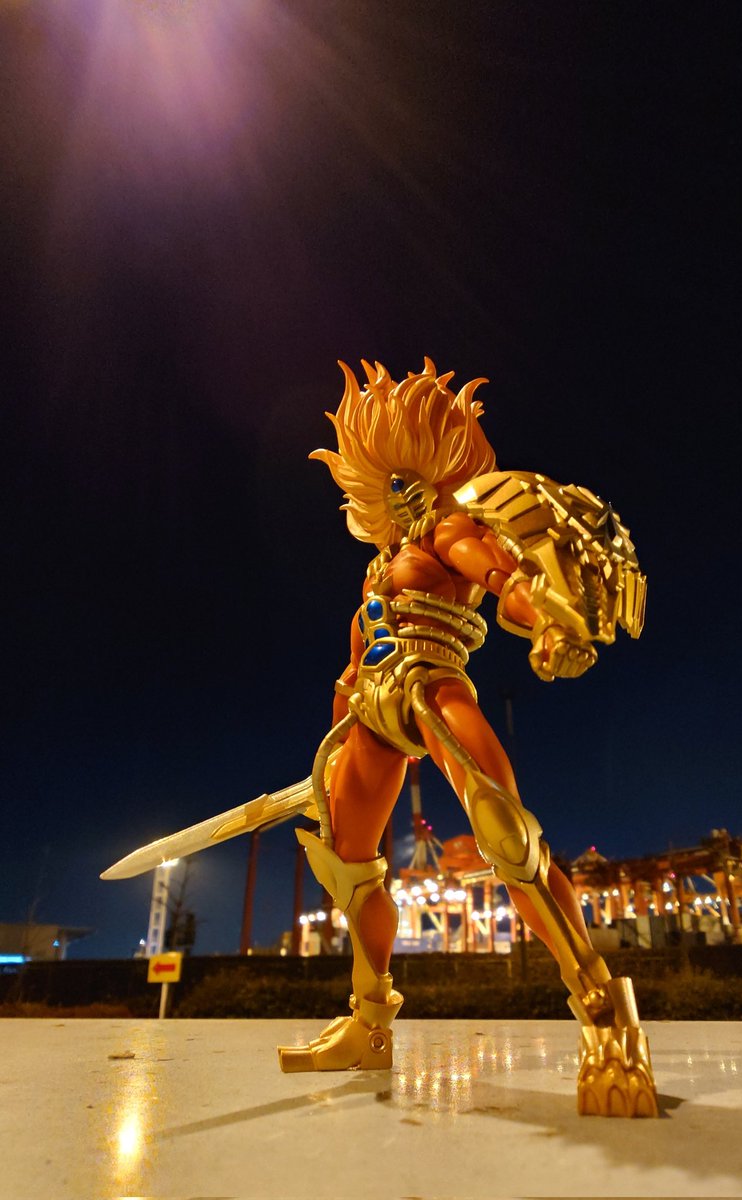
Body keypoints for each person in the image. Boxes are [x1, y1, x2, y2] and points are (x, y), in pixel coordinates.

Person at [277, 358, 657, 1117]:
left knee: (508, 838)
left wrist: (547, 620)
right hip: (373, 710)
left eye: (413, 479)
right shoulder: (378, 569)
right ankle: (368, 1022)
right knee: (349, 868)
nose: (404, 494)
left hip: (435, 685)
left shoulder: (450, 531)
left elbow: (503, 581)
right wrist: (334, 746)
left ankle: (604, 1014)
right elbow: (352, 663)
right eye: (391, 484)